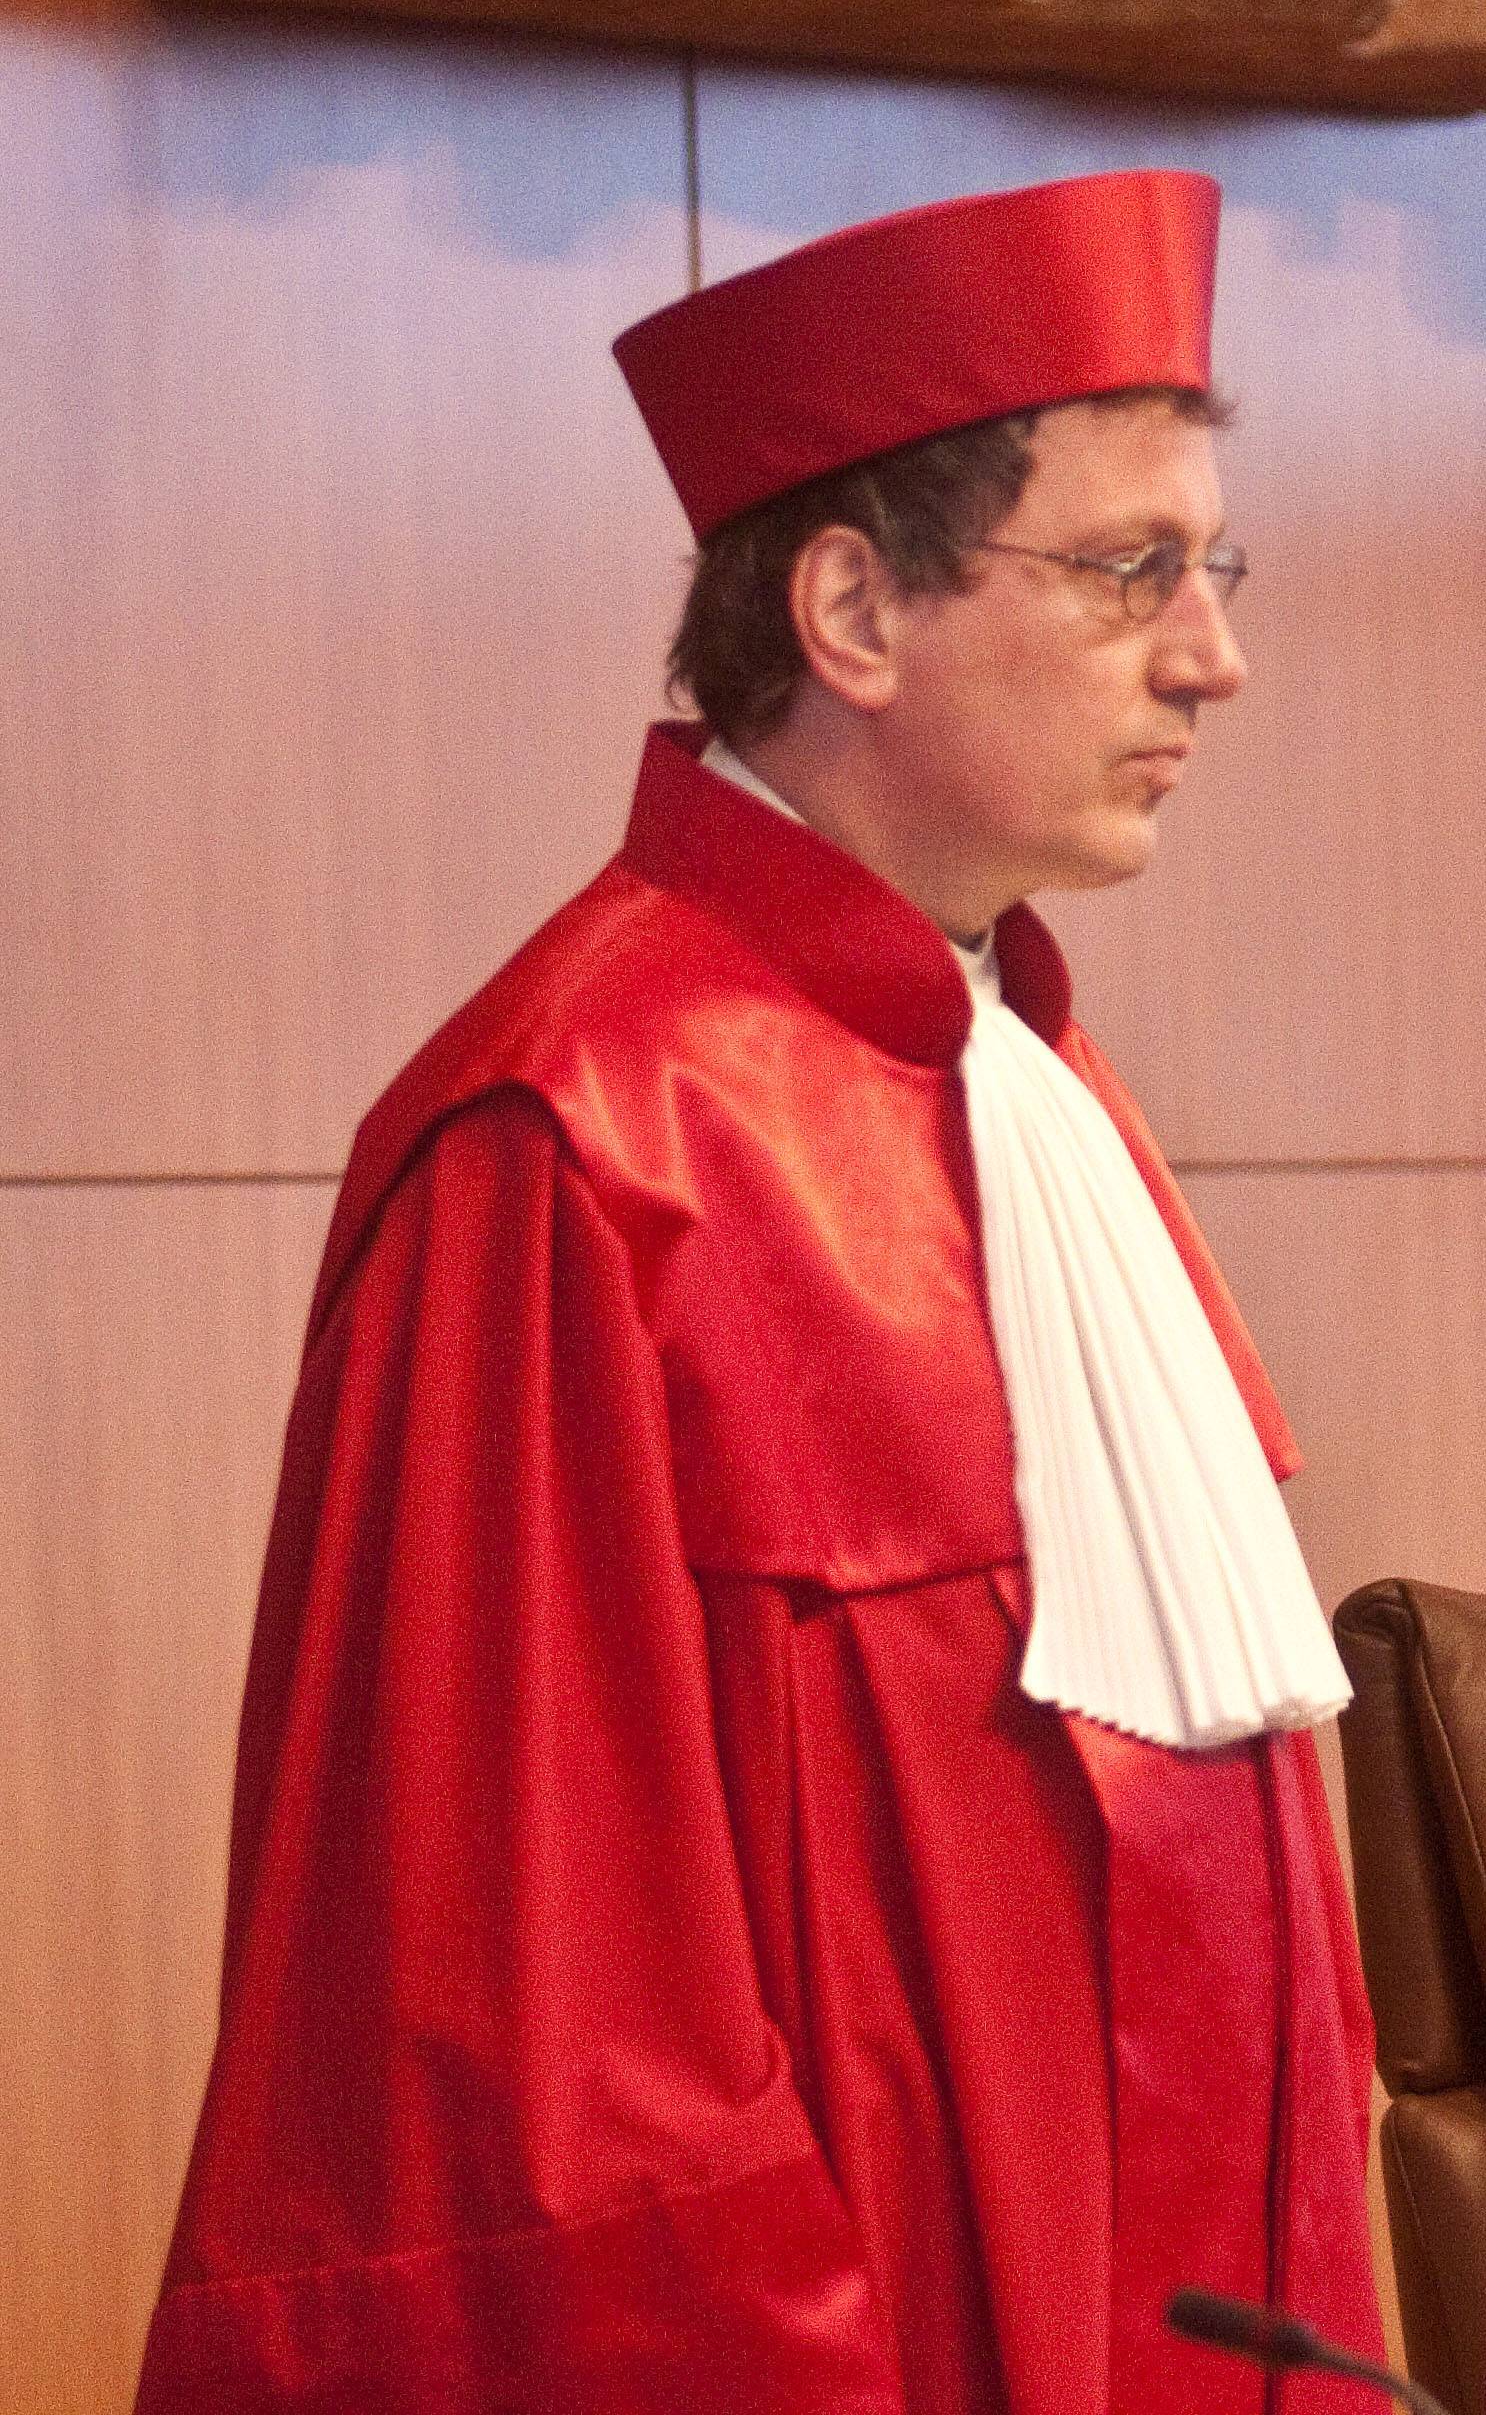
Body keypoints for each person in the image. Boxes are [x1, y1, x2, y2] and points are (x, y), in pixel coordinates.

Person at [139, 170, 1379, 2414]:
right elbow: (527, 2055)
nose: (1214, 652)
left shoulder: (1035, 1078)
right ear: (850, 607)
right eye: (1129, 571)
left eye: (1218, 569)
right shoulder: (578, 1141)